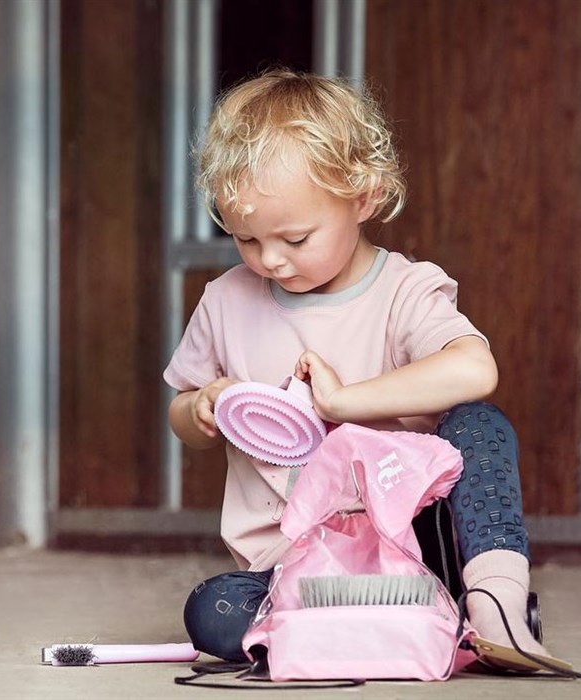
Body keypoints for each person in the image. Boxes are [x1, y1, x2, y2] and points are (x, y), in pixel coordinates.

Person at [164, 68, 548, 667]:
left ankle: (493, 600)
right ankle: (376, 624)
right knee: (210, 614)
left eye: (295, 239)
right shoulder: (225, 301)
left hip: (413, 555)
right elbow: (180, 412)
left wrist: (342, 403)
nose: (270, 261)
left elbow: (475, 370)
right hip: (293, 566)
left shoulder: (404, 292)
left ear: (363, 197)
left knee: (480, 422)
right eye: (246, 240)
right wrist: (199, 407)